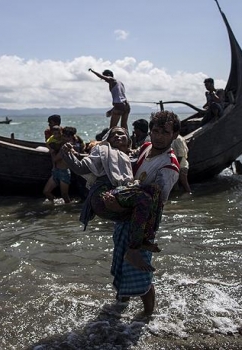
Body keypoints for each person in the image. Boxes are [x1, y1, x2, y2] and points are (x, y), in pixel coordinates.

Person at [108, 111, 181, 315]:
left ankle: (148, 315)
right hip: (125, 216)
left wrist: (119, 206)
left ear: (174, 135)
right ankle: (120, 304)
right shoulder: (147, 146)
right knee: (121, 262)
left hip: (144, 223)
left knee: (140, 270)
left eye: (165, 132)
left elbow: (156, 203)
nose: (158, 136)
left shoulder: (169, 166)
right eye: (155, 131)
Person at [61, 126, 163, 254]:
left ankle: (146, 237)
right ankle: (134, 248)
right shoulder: (103, 150)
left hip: (120, 195)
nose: (117, 136)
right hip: (103, 196)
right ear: (107, 140)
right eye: (113, 135)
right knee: (143, 198)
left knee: (155, 191)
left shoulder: (129, 157)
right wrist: (66, 153)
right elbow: (79, 168)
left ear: (128, 140)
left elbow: (148, 156)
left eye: (121, 134)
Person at [43, 125, 71, 203]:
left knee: (65, 195)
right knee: (46, 192)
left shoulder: (65, 147)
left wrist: (52, 152)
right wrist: (51, 149)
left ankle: (68, 208)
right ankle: (54, 205)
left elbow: (55, 159)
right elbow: (48, 143)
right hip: (56, 171)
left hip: (64, 173)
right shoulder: (56, 143)